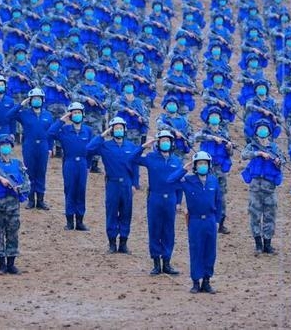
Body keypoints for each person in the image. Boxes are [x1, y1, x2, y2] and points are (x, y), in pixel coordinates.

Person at [167, 151, 222, 294]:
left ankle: (207, 281)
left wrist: (217, 221)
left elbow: (219, 201)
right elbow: (170, 181)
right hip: (195, 220)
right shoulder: (188, 180)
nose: (202, 166)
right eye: (199, 163)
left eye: (205, 163)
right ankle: (196, 282)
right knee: (196, 250)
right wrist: (184, 168)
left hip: (210, 220)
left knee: (210, 252)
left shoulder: (213, 180)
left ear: (209, 165)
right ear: (195, 166)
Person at [86, 117, 140, 254]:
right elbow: (89, 148)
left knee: (126, 212)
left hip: (127, 183)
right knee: (111, 213)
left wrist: (135, 184)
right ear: (112, 130)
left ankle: (123, 243)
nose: (119, 130)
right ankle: (111, 243)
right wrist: (104, 134)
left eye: (121, 128)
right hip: (112, 183)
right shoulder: (105, 146)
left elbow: (135, 166)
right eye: (116, 128)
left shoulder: (131, 146)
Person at [134, 130, 182, 275]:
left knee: (168, 230)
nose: (165, 143)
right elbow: (132, 158)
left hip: (171, 199)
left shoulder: (177, 161)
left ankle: (167, 262)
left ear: (172, 143)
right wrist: (144, 146)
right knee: (155, 229)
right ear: (158, 143)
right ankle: (156, 263)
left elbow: (180, 183)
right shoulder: (151, 157)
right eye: (162, 141)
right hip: (155, 197)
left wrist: (178, 202)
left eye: (168, 141)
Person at [0, 134, 30, 275]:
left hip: (14, 204)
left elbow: (27, 182)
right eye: (3, 145)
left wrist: (19, 188)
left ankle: (11, 264)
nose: (5, 148)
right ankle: (1, 264)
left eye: (8, 145)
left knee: (13, 233)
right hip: (0, 205)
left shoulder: (18, 164)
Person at [47, 102, 93, 230]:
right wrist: (62, 120)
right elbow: (50, 133)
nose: (77, 115)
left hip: (83, 163)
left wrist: (88, 165)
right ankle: (69, 221)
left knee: (81, 191)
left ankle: (79, 221)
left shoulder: (88, 131)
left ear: (83, 115)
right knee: (70, 190)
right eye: (74, 113)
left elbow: (92, 150)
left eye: (79, 113)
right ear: (70, 115)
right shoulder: (65, 130)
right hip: (69, 162)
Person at [241, 120, 284, 255]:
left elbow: (283, 161)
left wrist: (277, 161)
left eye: (265, 128)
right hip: (255, 188)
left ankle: (267, 244)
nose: (262, 131)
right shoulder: (252, 146)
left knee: (270, 216)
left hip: (269, 188)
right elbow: (243, 155)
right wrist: (258, 153)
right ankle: (258, 244)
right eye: (260, 129)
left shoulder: (275, 148)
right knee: (255, 215)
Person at [8, 87, 54, 210]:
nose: (36, 101)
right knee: (29, 172)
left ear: (42, 100)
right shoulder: (24, 113)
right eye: (34, 99)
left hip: (43, 145)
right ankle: (30, 199)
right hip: (29, 145)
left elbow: (51, 133)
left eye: (39, 98)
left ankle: (40, 200)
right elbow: (9, 115)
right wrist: (21, 104)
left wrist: (50, 147)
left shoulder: (48, 115)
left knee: (41, 172)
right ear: (30, 100)